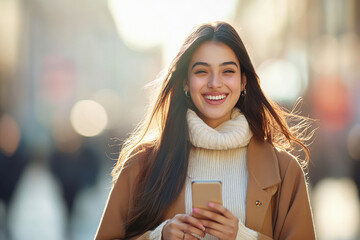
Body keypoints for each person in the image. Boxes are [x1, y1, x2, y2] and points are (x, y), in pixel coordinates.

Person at [95, 22, 316, 240]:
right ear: (185, 83)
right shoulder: (143, 163)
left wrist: (243, 236)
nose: (214, 83)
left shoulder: (284, 170)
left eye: (227, 71)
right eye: (202, 71)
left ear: (243, 81)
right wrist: (157, 237)